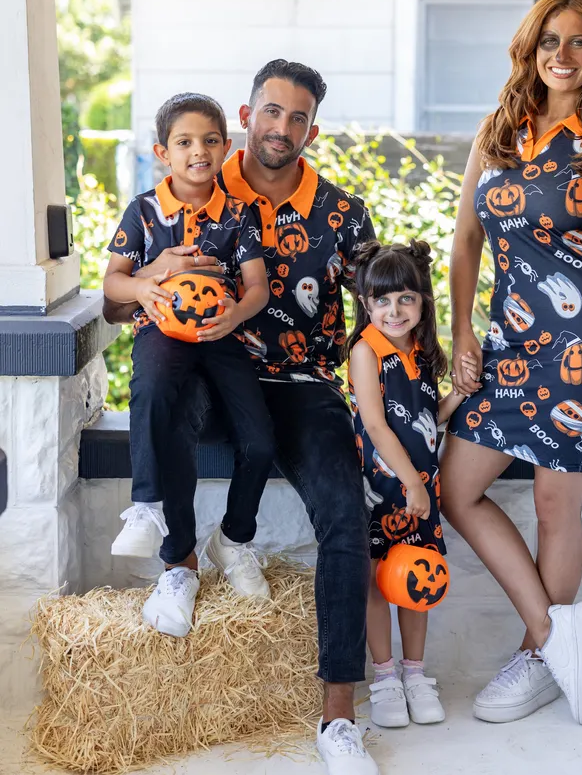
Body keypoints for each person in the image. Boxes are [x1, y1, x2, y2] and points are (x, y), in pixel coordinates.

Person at [103, 61, 380, 775]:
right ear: (244, 116)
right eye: (270, 111)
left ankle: (339, 718)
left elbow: (383, 306)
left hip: (299, 384)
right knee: (160, 399)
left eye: (296, 117)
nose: (280, 127)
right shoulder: (194, 184)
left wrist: (419, 376)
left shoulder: (342, 213)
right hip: (205, 366)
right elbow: (127, 291)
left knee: (347, 511)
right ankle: (180, 562)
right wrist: (146, 277)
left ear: (310, 130)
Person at [441, 0, 582, 727]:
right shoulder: (499, 133)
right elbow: (466, 240)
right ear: (530, 50)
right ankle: (555, 636)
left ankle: (540, 658)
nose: (562, 56)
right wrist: (463, 333)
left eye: (578, 44)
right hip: (507, 341)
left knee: (551, 503)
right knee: (457, 486)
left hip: (581, 345)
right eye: (550, 42)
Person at [103, 92, 277, 637]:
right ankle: (151, 509)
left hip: (220, 336)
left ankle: (233, 537)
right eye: (184, 142)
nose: (198, 151)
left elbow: (258, 287)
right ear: (162, 151)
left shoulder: (239, 215)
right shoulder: (144, 211)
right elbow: (112, 284)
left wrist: (234, 317)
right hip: (164, 332)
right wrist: (147, 279)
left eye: (209, 141)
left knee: (260, 440)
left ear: (227, 148)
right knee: (153, 391)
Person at [346, 240, 470, 730]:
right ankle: (384, 679)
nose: (394, 310)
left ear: (422, 303)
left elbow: (424, 422)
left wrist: (456, 397)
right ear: (366, 304)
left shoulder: (420, 353)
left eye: (405, 299)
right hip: (386, 487)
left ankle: (415, 674)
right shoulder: (366, 351)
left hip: (423, 489)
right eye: (382, 300)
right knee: (381, 581)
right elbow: (376, 426)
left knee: (420, 574)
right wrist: (412, 485)